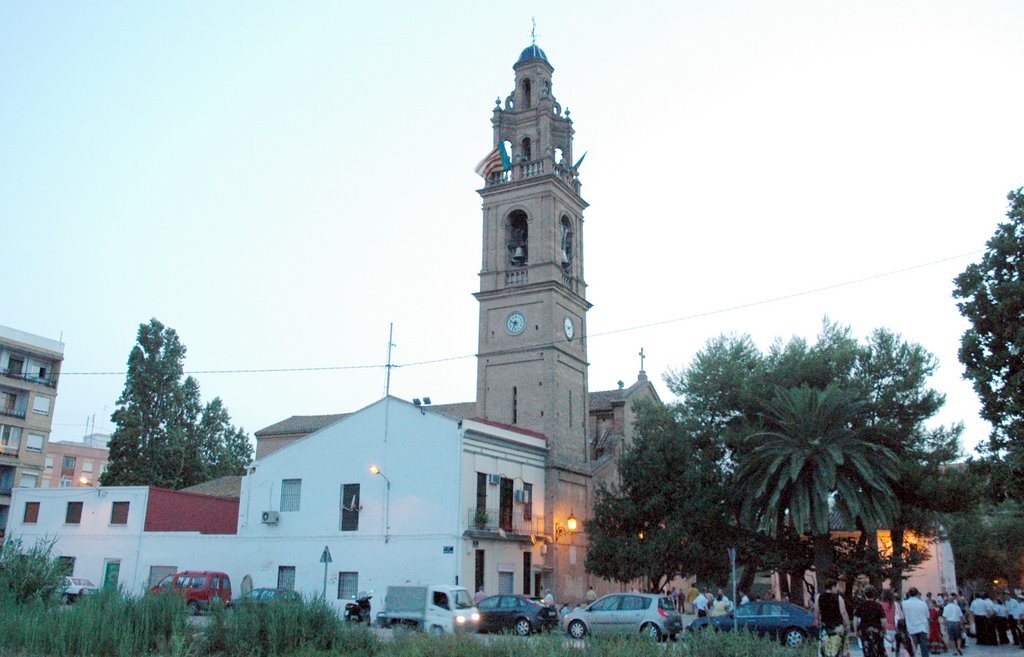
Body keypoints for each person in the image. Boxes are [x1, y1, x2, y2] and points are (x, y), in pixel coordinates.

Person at [815, 579, 850, 657]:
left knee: (825, 648)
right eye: (836, 586)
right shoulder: (838, 598)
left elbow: (816, 611)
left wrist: (817, 621)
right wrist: (847, 624)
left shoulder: (818, 597)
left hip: (825, 626)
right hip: (837, 626)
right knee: (838, 648)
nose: (837, 589)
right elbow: (843, 612)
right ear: (832, 587)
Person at [854, 586, 887, 657]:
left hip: (864, 631)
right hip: (877, 630)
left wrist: (855, 630)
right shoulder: (878, 606)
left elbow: (855, 619)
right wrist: (884, 630)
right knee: (878, 650)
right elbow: (883, 621)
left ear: (865, 594)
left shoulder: (860, 605)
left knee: (867, 650)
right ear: (874, 595)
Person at [903, 588, 931, 657]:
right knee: (924, 649)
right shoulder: (923, 603)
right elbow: (927, 616)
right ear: (917, 593)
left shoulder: (904, 603)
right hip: (922, 627)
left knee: (912, 649)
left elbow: (903, 616)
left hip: (911, 628)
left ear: (909, 594)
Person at [881, 589, 902, 657]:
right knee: (897, 649)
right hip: (895, 628)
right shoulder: (896, 604)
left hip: (885, 628)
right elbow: (901, 617)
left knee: (888, 649)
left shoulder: (881, 605)